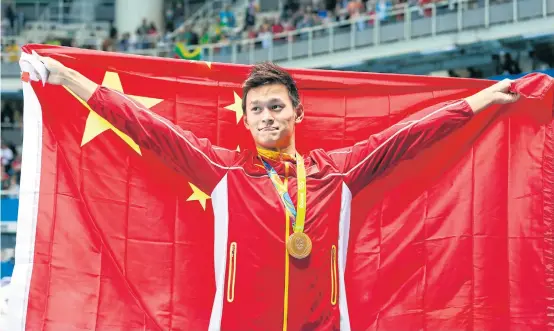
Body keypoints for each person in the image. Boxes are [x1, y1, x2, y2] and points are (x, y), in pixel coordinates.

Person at [32, 55, 519, 330]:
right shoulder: (222, 169)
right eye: (257, 109)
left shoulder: (338, 172)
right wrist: (70, 78)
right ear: (243, 119)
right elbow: (147, 126)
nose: (267, 116)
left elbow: (412, 135)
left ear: (297, 113)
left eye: (276, 106)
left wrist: (478, 101)